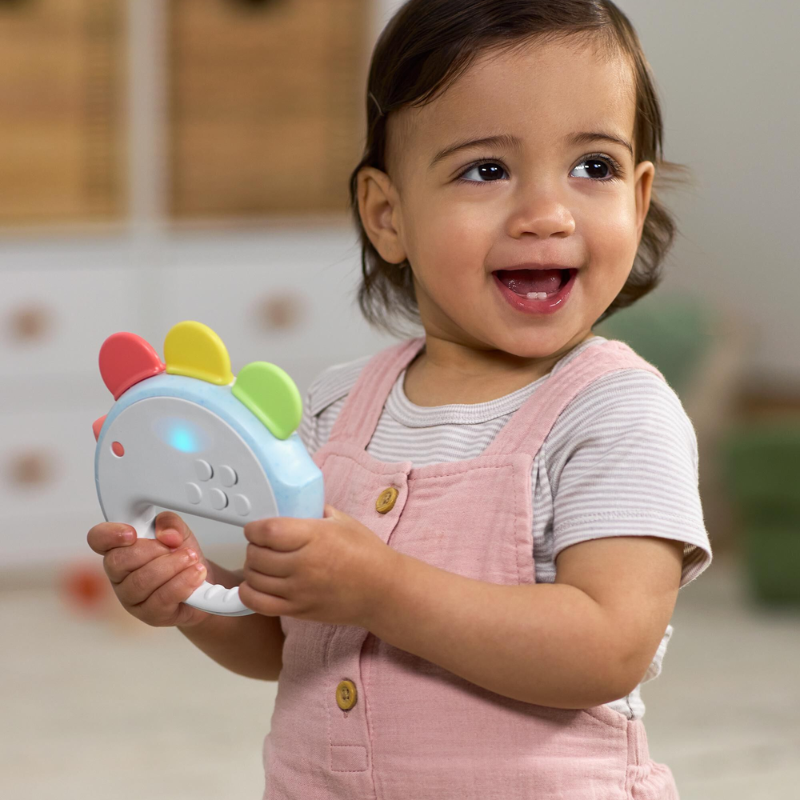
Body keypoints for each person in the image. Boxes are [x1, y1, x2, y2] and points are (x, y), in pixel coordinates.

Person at [87, 1, 713, 797]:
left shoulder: (617, 412)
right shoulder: (337, 406)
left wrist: (383, 588)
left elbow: (607, 647)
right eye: (487, 169)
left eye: (594, 166)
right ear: (388, 215)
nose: (547, 215)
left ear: (639, 194)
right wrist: (197, 596)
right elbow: (292, 643)